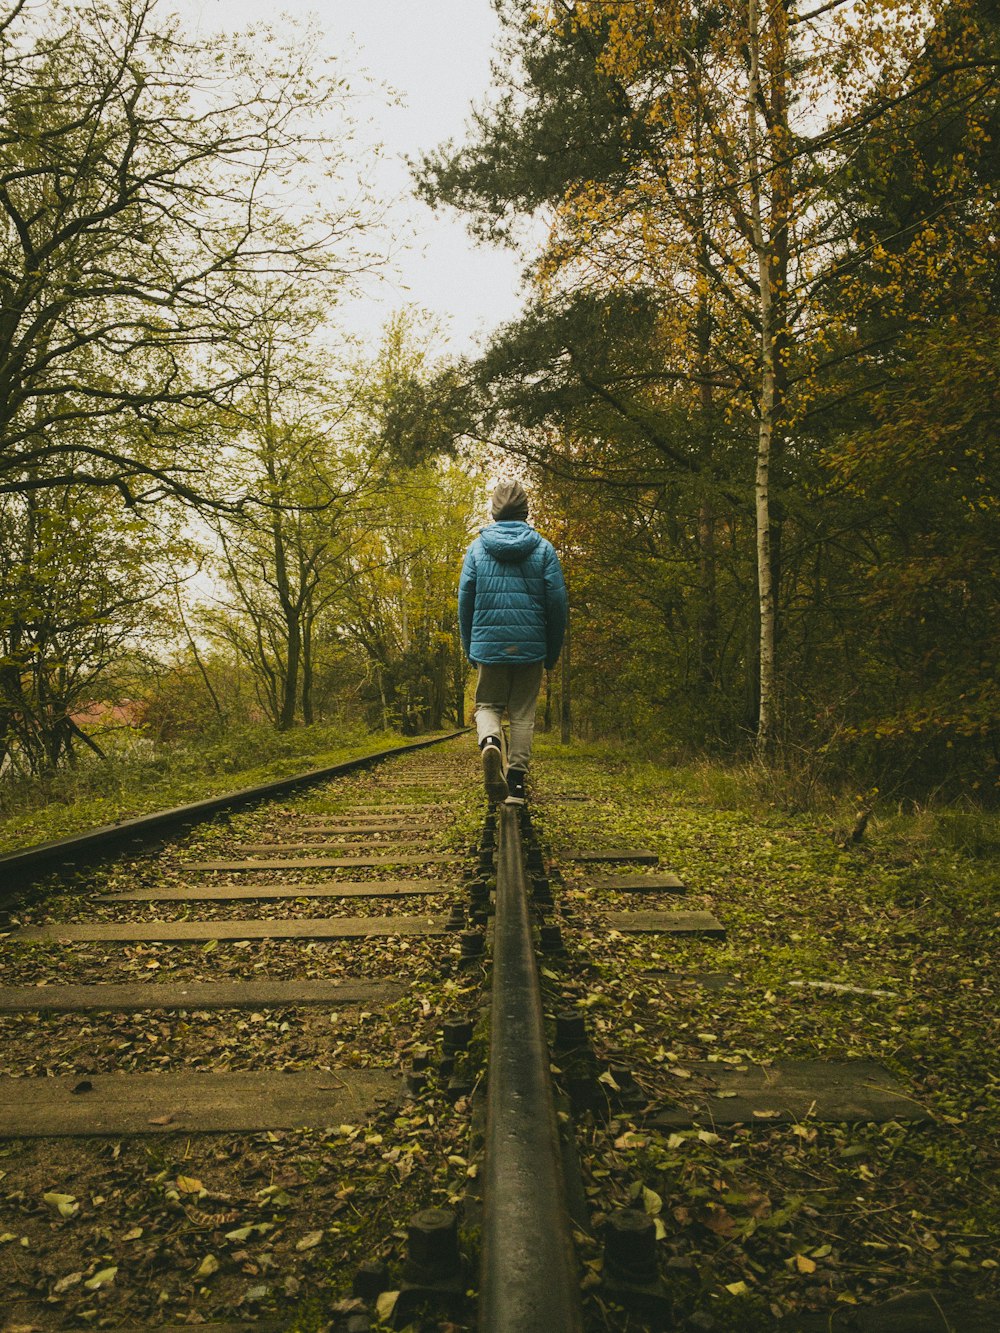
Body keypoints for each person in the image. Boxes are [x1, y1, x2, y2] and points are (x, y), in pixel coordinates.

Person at [458, 480, 568, 804]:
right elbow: (558, 605)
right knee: (522, 714)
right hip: (531, 645)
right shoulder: (544, 549)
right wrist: (551, 651)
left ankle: (490, 742)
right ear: (525, 511)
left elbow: (465, 602)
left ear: (494, 510)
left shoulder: (477, 549)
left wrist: (470, 647)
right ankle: (516, 785)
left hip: (489, 645)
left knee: (488, 706)